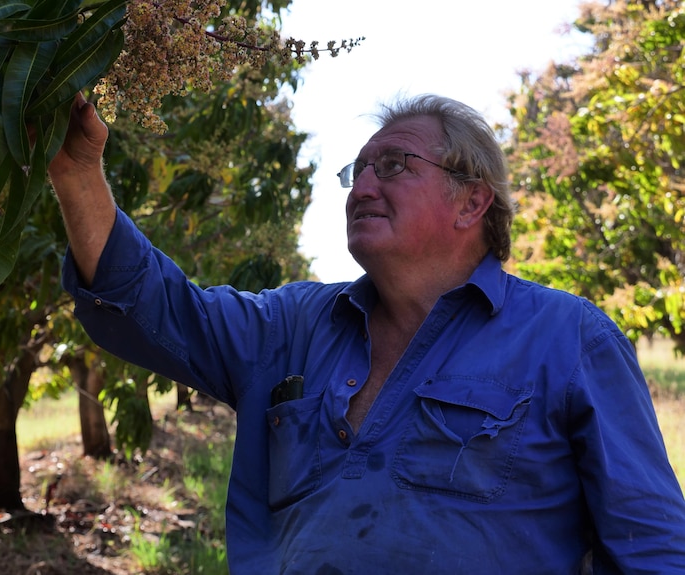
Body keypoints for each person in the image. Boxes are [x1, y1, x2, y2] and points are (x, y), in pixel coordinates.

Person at [49, 92, 685, 573]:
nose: (363, 188)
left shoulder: (571, 340)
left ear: (472, 202)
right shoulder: (291, 325)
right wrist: (77, 174)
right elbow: (153, 306)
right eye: (357, 172)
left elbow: (652, 546)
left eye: (394, 165)